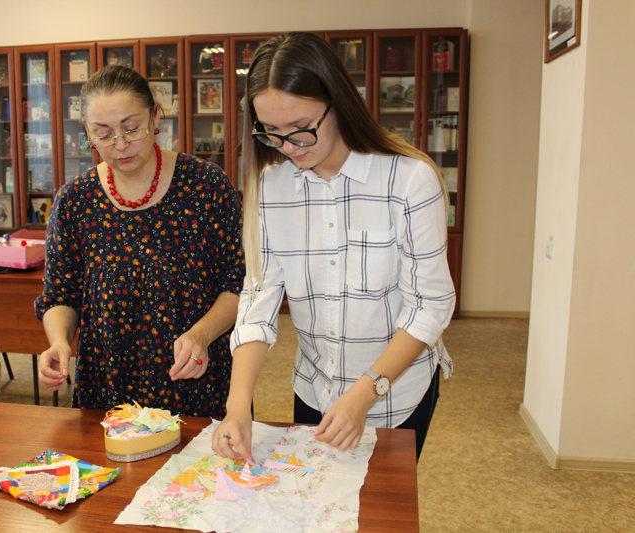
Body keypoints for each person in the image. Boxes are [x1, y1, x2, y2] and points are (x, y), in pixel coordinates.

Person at [212, 32, 455, 462]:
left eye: (301, 129)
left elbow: (429, 305)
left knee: (381, 501)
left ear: (338, 103)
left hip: (397, 391)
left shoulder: (408, 180)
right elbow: (258, 297)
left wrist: (366, 392)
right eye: (272, 133)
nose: (289, 147)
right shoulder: (271, 186)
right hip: (315, 386)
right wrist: (237, 406)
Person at [35, 65, 244, 417]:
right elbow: (61, 295)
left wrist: (201, 335)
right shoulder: (74, 201)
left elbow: (239, 283)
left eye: (132, 128)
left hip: (195, 376)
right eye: (103, 134)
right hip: (108, 382)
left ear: (156, 116)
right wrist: (58, 342)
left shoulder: (206, 186)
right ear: (87, 132)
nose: (120, 145)